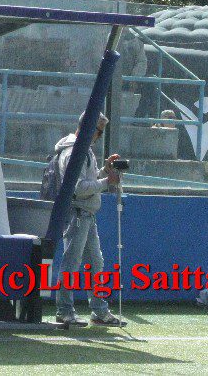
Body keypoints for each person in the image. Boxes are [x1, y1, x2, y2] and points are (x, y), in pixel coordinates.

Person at [53, 112, 128, 328]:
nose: (99, 136)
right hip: (77, 214)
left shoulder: (83, 152)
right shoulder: (74, 153)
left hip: (86, 214)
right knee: (72, 263)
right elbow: (78, 188)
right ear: (89, 128)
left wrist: (104, 170)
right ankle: (65, 311)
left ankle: (99, 310)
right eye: (99, 131)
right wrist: (107, 181)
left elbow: (87, 180)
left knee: (96, 262)